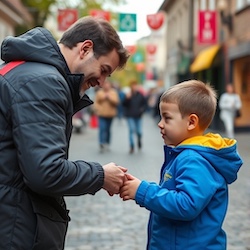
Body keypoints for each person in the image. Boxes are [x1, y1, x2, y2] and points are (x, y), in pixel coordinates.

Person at [0, 16, 129, 249]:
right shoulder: (43, 82)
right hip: (14, 227)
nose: (101, 81)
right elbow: (46, 172)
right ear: (85, 49)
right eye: (103, 70)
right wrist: (101, 175)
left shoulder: (28, 71)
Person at [120, 80, 243, 250]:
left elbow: (186, 204)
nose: (160, 123)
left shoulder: (194, 159)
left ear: (191, 122)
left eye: (167, 118)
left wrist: (142, 191)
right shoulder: (188, 155)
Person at [93, 80, 119, 152]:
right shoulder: (99, 93)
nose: (106, 86)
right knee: (102, 128)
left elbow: (117, 102)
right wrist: (99, 109)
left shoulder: (113, 92)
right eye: (105, 85)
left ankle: (107, 142)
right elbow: (96, 103)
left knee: (108, 129)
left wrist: (109, 98)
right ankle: (101, 143)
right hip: (102, 114)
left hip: (110, 114)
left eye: (108, 85)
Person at [122, 80, 147, 154]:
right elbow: (123, 104)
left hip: (138, 116)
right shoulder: (128, 95)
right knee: (131, 130)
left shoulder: (140, 95)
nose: (134, 87)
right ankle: (132, 146)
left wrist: (142, 110)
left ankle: (139, 140)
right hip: (130, 115)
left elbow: (145, 104)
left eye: (135, 86)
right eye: (133, 86)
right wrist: (127, 99)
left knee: (139, 131)